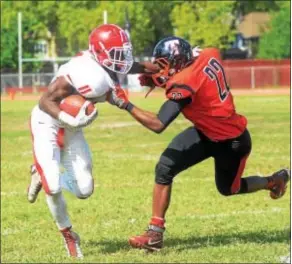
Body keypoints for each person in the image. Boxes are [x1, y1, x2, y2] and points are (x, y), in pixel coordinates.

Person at [108, 36, 290, 252]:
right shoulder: (207, 53)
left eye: (165, 64)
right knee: (165, 167)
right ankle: (154, 234)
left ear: (179, 62)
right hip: (205, 131)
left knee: (229, 189)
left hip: (231, 142)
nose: (160, 68)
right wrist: (116, 65)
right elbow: (173, 69)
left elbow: (158, 124)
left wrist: (124, 103)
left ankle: (274, 180)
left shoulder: (185, 82)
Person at [27, 24, 159, 258]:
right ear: (99, 52)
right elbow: (45, 101)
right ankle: (68, 234)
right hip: (49, 121)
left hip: (72, 127)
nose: (124, 59)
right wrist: (71, 119)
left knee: (85, 189)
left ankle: (42, 174)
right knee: (54, 186)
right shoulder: (83, 71)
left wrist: (160, 69)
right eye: (118, 53)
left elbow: (131, 67)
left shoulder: (107, 64)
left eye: (124, 52)